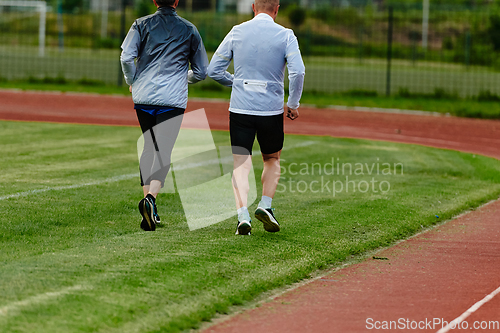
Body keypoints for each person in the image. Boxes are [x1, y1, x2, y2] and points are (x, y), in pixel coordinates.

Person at [207, 0, 305, 235]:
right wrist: (293, 103)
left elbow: (213, 71)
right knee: (272, 159)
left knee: (241, 163)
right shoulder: (286, 35)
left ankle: (242, 216)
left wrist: (238, 83)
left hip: (241, 107)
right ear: (277, 9)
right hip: (270, 110)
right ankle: (266, 205)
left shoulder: (237, 31)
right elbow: (298, 71)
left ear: (253, 7)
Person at [120, 0, 208, 231]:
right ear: (177, 1)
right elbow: (201, 71)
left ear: (154, 1)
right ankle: (150, 200)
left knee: (149, 147)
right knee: (164, 150)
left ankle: (150, 206)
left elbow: (126, 58)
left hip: (144, 97)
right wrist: (182, 78)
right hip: (172, 100)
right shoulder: (190, 29)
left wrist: (132, 80)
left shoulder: (140, 24)